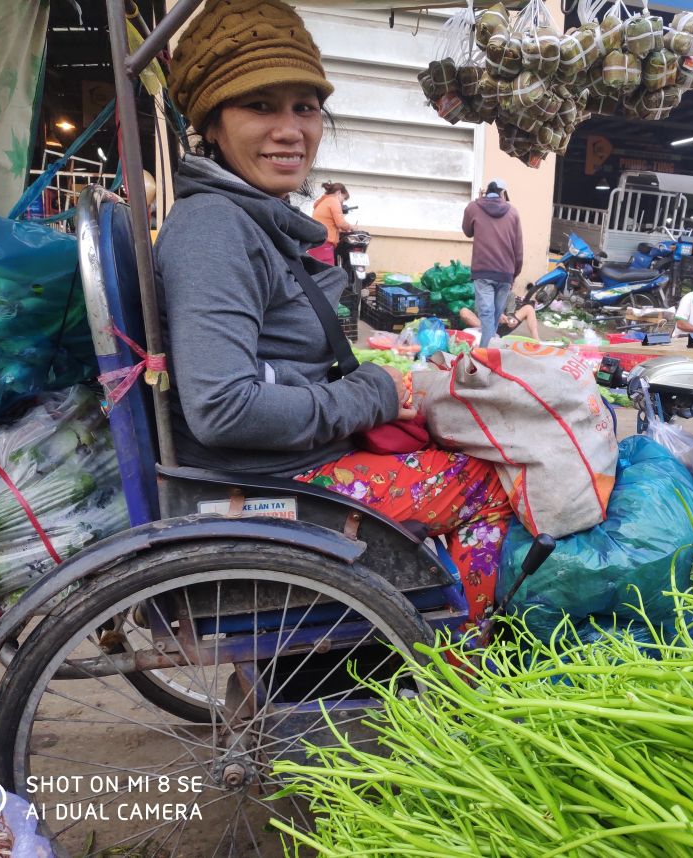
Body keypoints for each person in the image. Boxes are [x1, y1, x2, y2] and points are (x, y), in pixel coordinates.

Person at [158, 0, 511, 618]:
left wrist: (371, 388)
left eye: (305, 107)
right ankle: (465, 662)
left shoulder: (251, 217)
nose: (290, 130)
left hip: (285, 464)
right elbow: (223, 408)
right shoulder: (214, 229)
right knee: (490, 483)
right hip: (270, 488)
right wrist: (370, 396)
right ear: (211, 124)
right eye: (260, 106)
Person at [462, 180, 524, 348]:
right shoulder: (513, 212)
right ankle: (489, 352)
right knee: (494, 317)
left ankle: (485, 353)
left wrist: (477, 201)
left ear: (485, 192)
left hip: (483, 271)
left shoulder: (473, 207)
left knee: (488, 316)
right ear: (503, 194)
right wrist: (514, 274)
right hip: (505, 273)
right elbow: (518, 249)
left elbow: (467, 231)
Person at [308, 181, 353, 265]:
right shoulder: (333, 201)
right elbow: (340, 223)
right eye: (343, 199)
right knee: (328, 270)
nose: (342, 203)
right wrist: (351, 227)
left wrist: (340, 230)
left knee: (316, 269)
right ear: (339, 193)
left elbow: (328, 223)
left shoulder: (323, 201)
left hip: (316, 242)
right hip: (325, 242)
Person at [457, 299, 540, 341]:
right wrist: (494, 315)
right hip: (482, 325)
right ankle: (488, 331)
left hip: (499, 329)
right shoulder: (486, 291)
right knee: (464, 311)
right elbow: (479, 310)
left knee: (529, 308)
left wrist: (509, 320)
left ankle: (537, 341)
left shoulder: (510, 295)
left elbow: (510, 313)